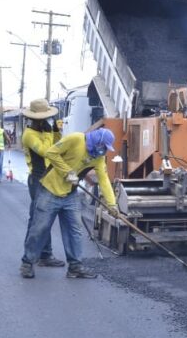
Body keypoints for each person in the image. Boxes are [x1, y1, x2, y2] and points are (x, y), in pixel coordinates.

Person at [20, 128, 119, 279]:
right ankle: (27, 263)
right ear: (97, 142)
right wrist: (67, 172)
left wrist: (112, 204)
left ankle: (75, 267)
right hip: (50, 190)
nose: (104, 151)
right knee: (40, 228)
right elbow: (51, 153)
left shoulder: (98, 158)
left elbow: (104, 180)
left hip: (70, 195)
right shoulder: (76, 139)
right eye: (103, 147)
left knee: (75, 230)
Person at [20, 98, 66, 268]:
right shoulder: (29, 134)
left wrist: (55, 131)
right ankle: (30, 257)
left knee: (45, 217)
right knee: (37, 219)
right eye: (45, 119)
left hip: (49, 177)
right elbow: (46, 151)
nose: (47, 121)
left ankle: (45, 254)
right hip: (37, 179)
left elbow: (58, 145)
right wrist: (48, 134)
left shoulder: (45, 130)